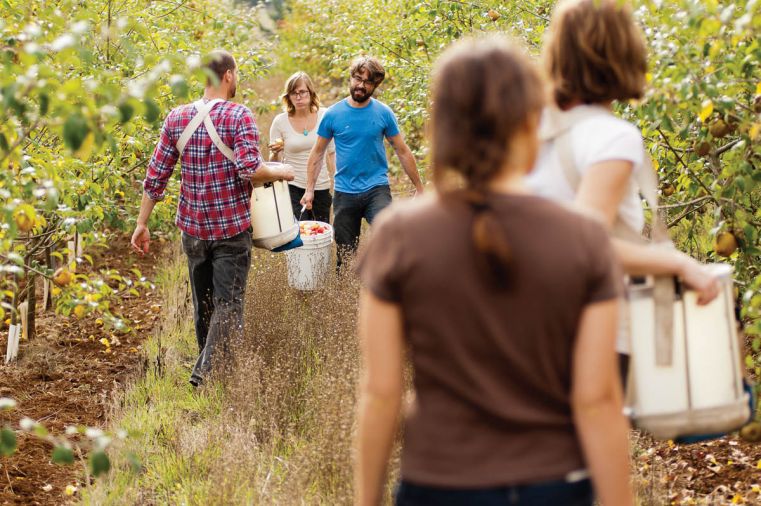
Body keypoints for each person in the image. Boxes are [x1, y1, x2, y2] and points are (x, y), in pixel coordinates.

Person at [355, 36, 633, 506]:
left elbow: (382, 393)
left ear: (441, 128)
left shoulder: (399, 234)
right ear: (531, 123)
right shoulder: (583, 238)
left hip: (438, 485)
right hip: (556, 486)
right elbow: (597, 400)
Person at [526, 0, 719, 377]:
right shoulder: (612, 137)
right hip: (591, 330)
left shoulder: (531, 128)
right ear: (623, 49)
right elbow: (582, 244)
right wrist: (678, 263)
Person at [130, 49, 294, 387]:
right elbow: (250, 169)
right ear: (229, 75)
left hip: (193, 229)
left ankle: (213, 367)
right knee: (228, 303)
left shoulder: (176, 118)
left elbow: (156, 175)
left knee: (205, 303)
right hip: (231, 227)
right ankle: (205, 373)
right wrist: (282, 170)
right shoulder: (239, 115)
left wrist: (141, 223)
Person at [300, 56, 425, 269]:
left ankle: (384, 289)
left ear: (375, 85)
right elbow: (318, 153)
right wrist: (309, 190)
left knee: (389, 239)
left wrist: (419, 187)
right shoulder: (333, 114)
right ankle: (345, 294)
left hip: (376, 188)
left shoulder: (383, 113)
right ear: (351, 78)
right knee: (345, 253)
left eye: (368, 82)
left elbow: (402, 150)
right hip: (344, 191)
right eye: (357, 79)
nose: (361, 85)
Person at [269, 71, 336, 223]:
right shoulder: (280, 121)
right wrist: (275, 153)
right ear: (288, 97)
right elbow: (274, 163)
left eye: (302, 92)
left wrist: (338, 184)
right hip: (293, 186)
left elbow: (332, 153)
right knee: (299, 234)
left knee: (320, 235)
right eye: (294, 93)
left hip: (321, 186)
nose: (298, 97)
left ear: (311, 93)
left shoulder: (324, 115)